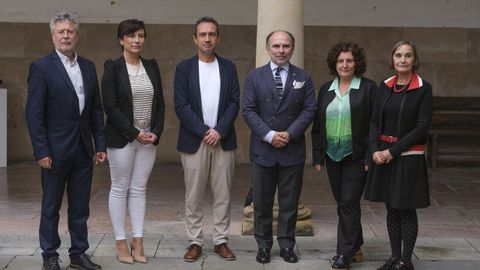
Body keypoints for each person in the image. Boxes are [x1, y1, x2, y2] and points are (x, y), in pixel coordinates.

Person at [25, 12, 106, 270]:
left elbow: (95, 110)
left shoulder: (89, 67)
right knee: (51, 206)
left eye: (70, 31)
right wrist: (41, 150)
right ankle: (49, 255)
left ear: (77, 35)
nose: (65, 35)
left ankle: (78, 254)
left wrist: (100, 145)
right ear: (52, 35)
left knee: (80, 208)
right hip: (54, 152)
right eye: (60, 31)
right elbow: (34, 114)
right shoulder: (41, 67)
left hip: (83, 149)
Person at [243, 30, 316, 264]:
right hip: (263, 150)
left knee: (289, 204)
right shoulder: (254, 77)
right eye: (276, 46)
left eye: (285, 46)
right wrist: (269, 134)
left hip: (291, 150)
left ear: (292, 49)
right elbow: (248, 110)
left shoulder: (303, 77)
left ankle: (286, 245)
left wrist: (290, 134)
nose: (281, 50)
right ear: (268, 49)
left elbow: (309, 109)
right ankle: (263, 246)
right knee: (262, 205)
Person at [173, 16, 240, 262]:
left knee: (223, 194)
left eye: (212, 34)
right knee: (194, 195)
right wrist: (204, 131)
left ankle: (221, 240)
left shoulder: (229, 67)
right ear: (195, 39)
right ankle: (195, 241)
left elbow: (234, 102)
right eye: (202, 34)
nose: (207, 38)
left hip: (223, 140)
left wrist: (219, 130)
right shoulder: (184, 68)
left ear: (218, 38)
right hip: (194, 141)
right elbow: (181, 106)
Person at [101, 19, 165, 264]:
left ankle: (138, 241)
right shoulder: (112, 67)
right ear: (121, 40)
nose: (136, 40)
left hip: (148, 138)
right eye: (131, 36)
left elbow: (159, 102)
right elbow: (110, 105)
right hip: (122, 138)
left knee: (139, 189)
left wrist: (156, 132)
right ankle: (120, 242)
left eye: (140, 36)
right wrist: (133, 132)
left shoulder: (151, 66)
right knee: (120, 188)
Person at [364, 40, 433, 270]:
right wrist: (374, 150)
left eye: (408, 55)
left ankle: (406, 261)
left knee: (405, 208)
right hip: (382, 156)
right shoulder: (384, 86)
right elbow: (374, 120)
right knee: (391, 207)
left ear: (415, 60)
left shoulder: (424, 88)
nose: (403, 60)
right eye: (398, 55)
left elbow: (421, 128)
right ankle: (394, 257)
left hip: (407, 157)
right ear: (392, 59)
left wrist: (391, 152)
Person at [311, 42, 376, 270]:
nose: (345, 64)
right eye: (340, 61)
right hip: (332, 156)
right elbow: (317, 125)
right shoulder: (325, 89)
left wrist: (370, 156)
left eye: (349, 60)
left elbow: (373, 125)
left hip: (356, 156)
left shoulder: (368, 88)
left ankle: (343, 253)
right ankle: (356, 244)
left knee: (349, 202)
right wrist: (318, 156)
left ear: (356, 63)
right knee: (343, 203)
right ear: (334, 63)